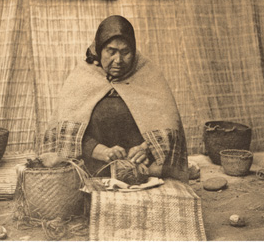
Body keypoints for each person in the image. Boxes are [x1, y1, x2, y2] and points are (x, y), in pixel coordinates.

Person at [40, 15, 188, 182]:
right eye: (111, 52)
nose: (118, 60)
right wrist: (100, 151)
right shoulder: (82, 77)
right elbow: (66, 132)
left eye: (125, 52)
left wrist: (146, 149)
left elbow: (169, 126)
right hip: (92, 168)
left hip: (140, 167)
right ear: (99, 50)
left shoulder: (147, 73)